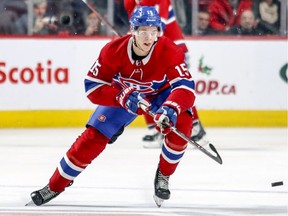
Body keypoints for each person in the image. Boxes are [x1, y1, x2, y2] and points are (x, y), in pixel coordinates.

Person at [29, 6, 196, 207]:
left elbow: (186, 86)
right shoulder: (113, 51)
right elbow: (92, 86)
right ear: (133, 30)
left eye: (154, 31)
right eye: (143, 31)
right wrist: (121, 97)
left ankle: (164, 175)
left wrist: (171, 108)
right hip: (125, 94)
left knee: (182, 126)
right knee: (92, 138)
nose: (149, 37)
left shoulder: (170, 50)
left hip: (163, 94)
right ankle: (54, 185)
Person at [124, 0, 208, 148]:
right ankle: (155, 129)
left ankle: (194, 126)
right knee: (143, 85)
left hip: (174, 50)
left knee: (176, 89)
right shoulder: (132, 3)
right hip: (153, 51)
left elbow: (157, 29)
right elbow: (135, 29)